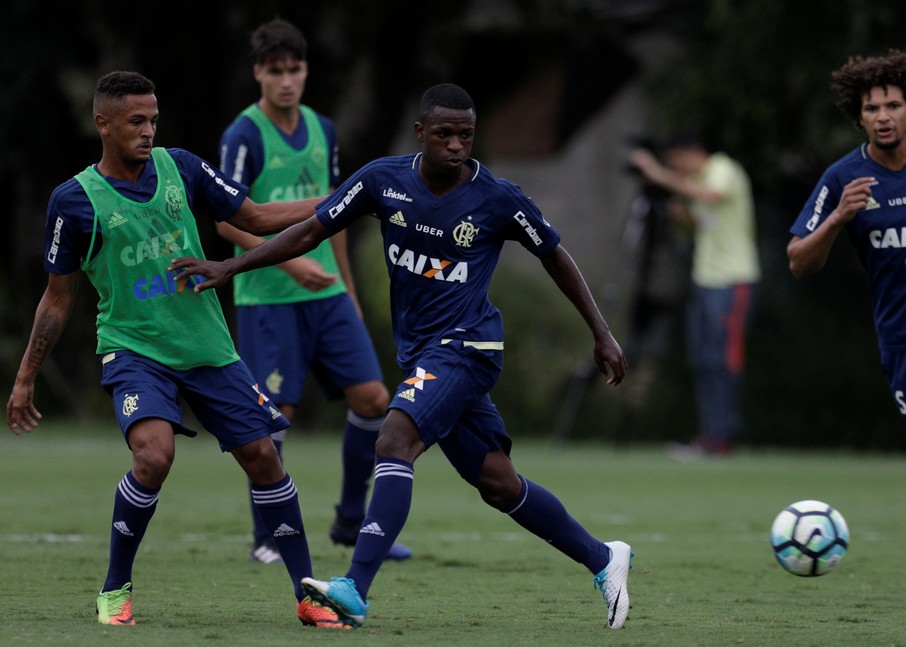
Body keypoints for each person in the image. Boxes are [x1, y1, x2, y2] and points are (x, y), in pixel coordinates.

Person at [172, 82, 634, 630]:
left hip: (469, 345)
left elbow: (556, 256)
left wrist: (601, 333)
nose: (457, 146)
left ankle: (354, 589)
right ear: (421, 134)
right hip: (422, 353)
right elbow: (308, 232)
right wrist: (231, 267)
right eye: (444, 134)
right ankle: (604, 559)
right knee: (497, 482)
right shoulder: (381, 181)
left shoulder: (499, 198)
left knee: (394, 438)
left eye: (465, 135)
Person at [5, 71, 345, 628]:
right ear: (103, 124)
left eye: (153, 120)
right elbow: (56, 298)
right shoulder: (74, 201)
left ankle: (307, 595)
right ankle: (115, 591)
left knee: (264, 457)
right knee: (154, 455)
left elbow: (255, 217)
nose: (147, 131)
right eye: (136, 121)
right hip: (134, 350)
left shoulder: (180, 167)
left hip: (207, 346)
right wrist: (24, 378)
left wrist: (347, 198)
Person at [787, 50, 906, 603]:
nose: (883, 115)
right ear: (860, 116)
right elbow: (799, 260)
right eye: (872, 107)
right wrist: (838, 218)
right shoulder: (843, 178)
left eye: (893, 104)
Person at [217, 18, 410, 564]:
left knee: (374, 400)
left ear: (305, 72)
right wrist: (293, 266)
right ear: (258, 73)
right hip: (269, 296)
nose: (286, 81)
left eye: (294, 69)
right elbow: (224, 221)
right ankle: (268, 538)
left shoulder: (323, 129)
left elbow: (337, 214)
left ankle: (352, 523)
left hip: (327, 294)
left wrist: (348, 288)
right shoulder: (243, 136)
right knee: (274, 414)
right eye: (275, 71)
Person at [629, 134, 760, 456]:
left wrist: (657, 173)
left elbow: (713, 196)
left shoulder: (722, 168)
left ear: (690, 154)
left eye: (676, 164)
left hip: (733, 279)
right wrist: (682, 215)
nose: (676, 171)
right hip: (705, 278)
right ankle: (710, 435)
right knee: (703, 359)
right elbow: (699, 224)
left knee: (722, 359)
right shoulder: (695, 182)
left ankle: (723, 436)